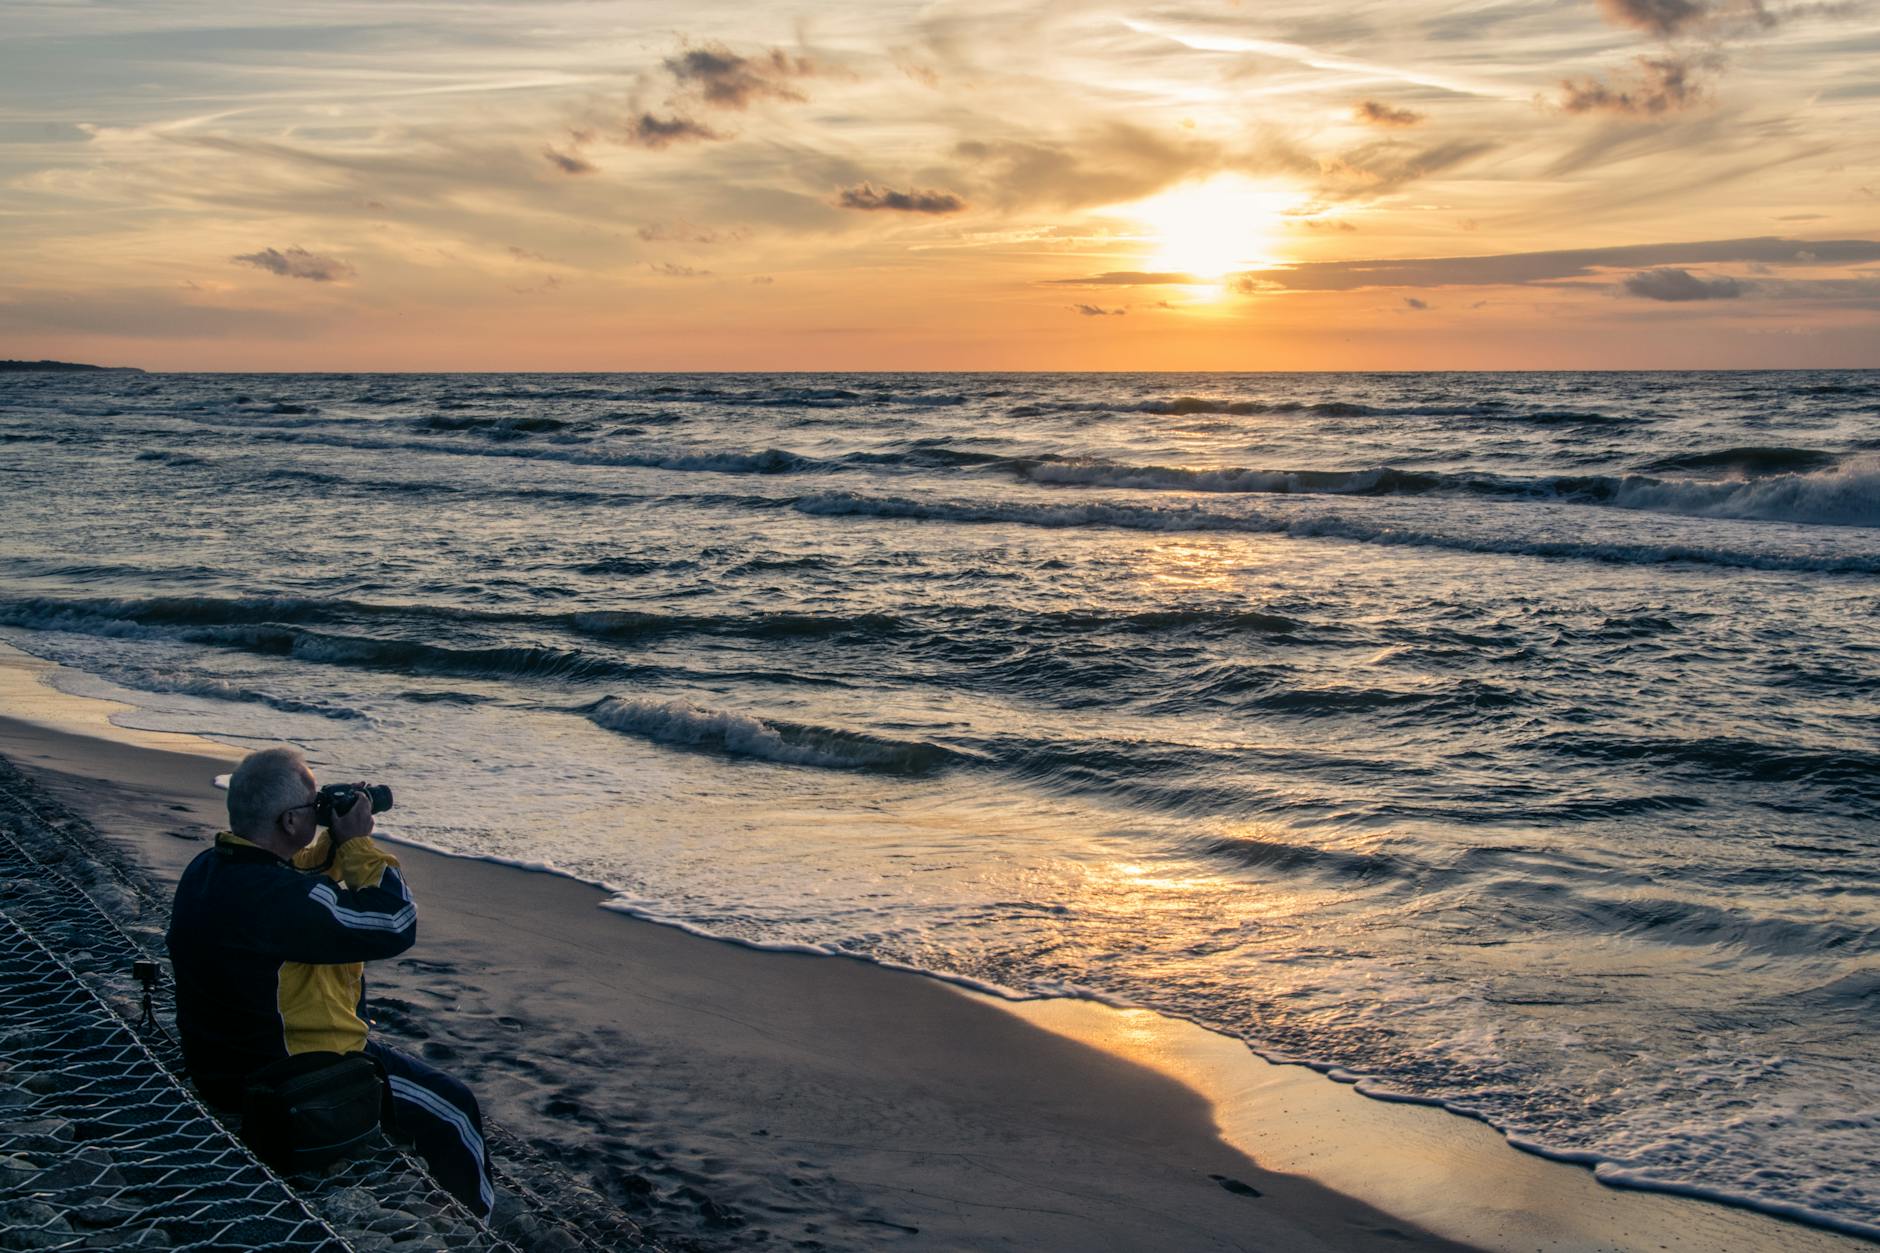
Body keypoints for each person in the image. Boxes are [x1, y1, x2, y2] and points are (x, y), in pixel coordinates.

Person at [166, 746, 494, 1218]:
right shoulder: (280, 900)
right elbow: (396, 922)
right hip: (286, 1084)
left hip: (218, 1067)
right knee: (457, 1109)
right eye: (312, 807)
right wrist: (359, 844)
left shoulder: (209, 869)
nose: (318, 815)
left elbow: (298, 888)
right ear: (289, 823)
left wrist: (332, 842)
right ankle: (478, 1228)